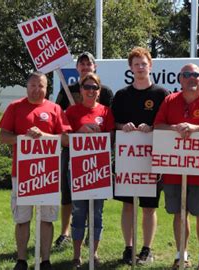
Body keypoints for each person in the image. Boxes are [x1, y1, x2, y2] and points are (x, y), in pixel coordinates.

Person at [154, 63, 199, 270]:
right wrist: (174, 128)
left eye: (195, 74)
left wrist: (196, 128)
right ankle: (181, 255)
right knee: (179, 213)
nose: (191, 78)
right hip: (174, 169)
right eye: (186, 74)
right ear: (180, 79)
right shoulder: (170, 101)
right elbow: (158, 126)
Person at [0, 71, 72, 270]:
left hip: (47, 174)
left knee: (46, 219)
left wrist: (44, 135)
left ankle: (45, 260)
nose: (36, 90)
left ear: (46, 88)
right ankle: (21, 260)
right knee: (22, 219)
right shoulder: (15, 107)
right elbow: (3, 136)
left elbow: (66, 140)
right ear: (26, 86)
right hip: (22, 174)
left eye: (41, 86)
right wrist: (23, 138)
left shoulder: (55, 108)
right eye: (33, 85)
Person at [111, 46, 169, 265]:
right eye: (136, 64)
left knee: (149, 207)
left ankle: (146, 248)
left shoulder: (162, 94)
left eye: (144, 63)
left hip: (152, 160)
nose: (140, 67)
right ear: (130, 68)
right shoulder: (122, 95)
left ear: (150, 65)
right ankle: (128, 247)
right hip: (128, 160)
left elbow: (167, 124)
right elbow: (113, 123)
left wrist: (153, 127)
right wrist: (122, 126)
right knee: (127, 205)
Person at [54, 51, 114, 249]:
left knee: (96, 200)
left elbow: (109, 124)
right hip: (72, 151)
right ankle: (66, 232)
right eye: (82, 63)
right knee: (68, 193)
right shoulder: (67, 90)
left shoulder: (105, 92)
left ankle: (91, 236)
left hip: (97, 155)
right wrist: (74, 127)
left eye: (89, 63)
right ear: (77, 67)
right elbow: (57, 115)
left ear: (94, 67)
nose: (86, 66)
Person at [64, 72, 115, 269]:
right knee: (78, 212)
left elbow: (110, 138)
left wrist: (100, 135)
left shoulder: (106, 112)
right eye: (87, 87)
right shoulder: (72, 112)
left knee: (97, 213)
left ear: (99, 91)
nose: (91, 91)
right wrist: (80, 132)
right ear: (81, 90)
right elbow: (64, 138)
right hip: (77, 169)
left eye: (94, 88)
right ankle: (77, 256)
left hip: (99, 169)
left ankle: (94, 254)